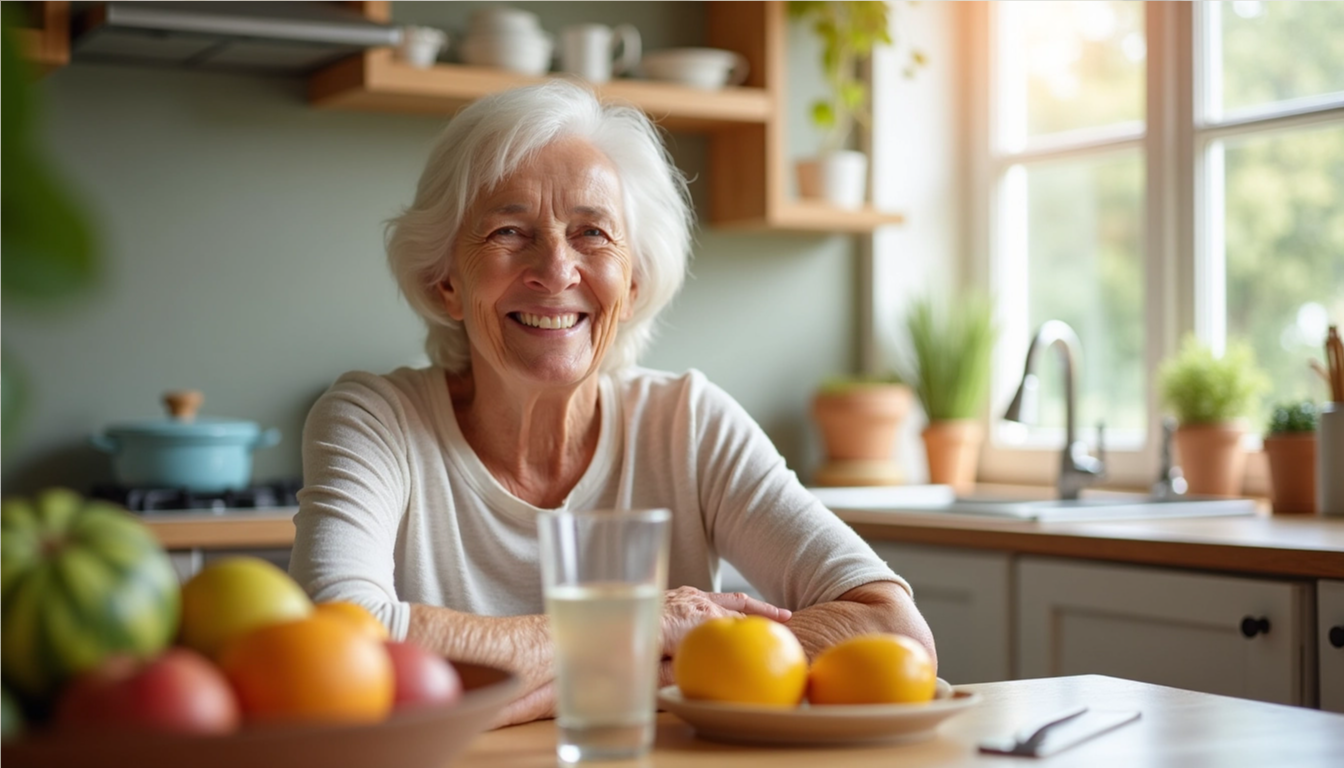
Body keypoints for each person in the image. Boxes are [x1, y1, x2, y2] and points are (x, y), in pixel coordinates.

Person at [289, 80, 936, 726]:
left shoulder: (687, 422)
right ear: (447, 282)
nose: (557, 270)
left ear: (630, 286)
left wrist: (555, 670)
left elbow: (893, 630)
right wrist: (644, 628)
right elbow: (336, 649)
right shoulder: (373, 420)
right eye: (510, 231)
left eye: (591, 233)